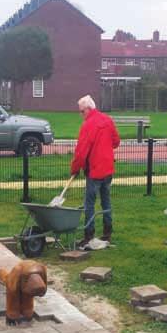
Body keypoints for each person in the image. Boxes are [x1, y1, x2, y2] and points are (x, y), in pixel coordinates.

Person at [70, 95, 120, 248]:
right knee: (106, 201)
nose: (80, 114)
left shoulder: (88, 125)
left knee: (89, 203)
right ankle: (107, 233)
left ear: (88, 109)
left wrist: (74, 168)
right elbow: (116, 142)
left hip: (95, 170)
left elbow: (81, 152)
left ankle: (88, 235)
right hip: (108, 168)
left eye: (81, 111)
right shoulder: (107, 120)